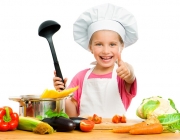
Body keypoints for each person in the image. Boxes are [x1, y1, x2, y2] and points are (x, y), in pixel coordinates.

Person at [53, 3, 138, 118]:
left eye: (112, 44)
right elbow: (72, 116)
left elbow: (130, 76)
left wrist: (129, 70)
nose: (106, 51)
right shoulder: (80, 77)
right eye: (99, 44)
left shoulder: (122, 75)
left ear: (121, 47)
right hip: (87, 134)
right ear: (90, 47)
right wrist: (63, 95)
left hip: (116, 134)